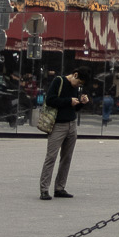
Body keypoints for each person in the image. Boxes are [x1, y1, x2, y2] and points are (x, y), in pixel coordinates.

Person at [38, 67, 89, 200]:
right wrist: (69, 101)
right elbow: (50, 100)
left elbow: (73, 107)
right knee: (51, 157)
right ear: (75, 74)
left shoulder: (74, 87)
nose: (78, 86)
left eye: (81, 85)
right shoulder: (58, 81)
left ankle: (60, 188)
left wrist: (81, 103)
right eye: (79, 83)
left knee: (66, 158)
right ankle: (44, 189)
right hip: (58, 125)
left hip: (72, 125)